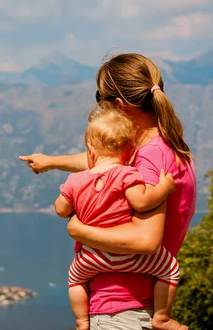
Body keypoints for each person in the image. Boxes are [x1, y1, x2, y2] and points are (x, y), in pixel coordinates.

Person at [19, 53, 196, 330]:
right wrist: (51, 162)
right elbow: (104, 163)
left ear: (118, 105)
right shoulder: (164, 144)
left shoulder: (148, 158)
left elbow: (146, 240)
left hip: (122, 309)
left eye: (99, 97)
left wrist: (79, 230)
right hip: (133, 306)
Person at [53, 107, 184, 330]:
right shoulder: (126, 175)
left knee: (75, 279)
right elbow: (142, 202)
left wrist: (69, 202)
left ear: (90, 150)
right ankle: (162, 317)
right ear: (131, 150)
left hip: (91, 258)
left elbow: (61, 209)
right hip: (128, 257)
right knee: (169, 268)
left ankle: (82, 322)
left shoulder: (75, 180)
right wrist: (164, 188)